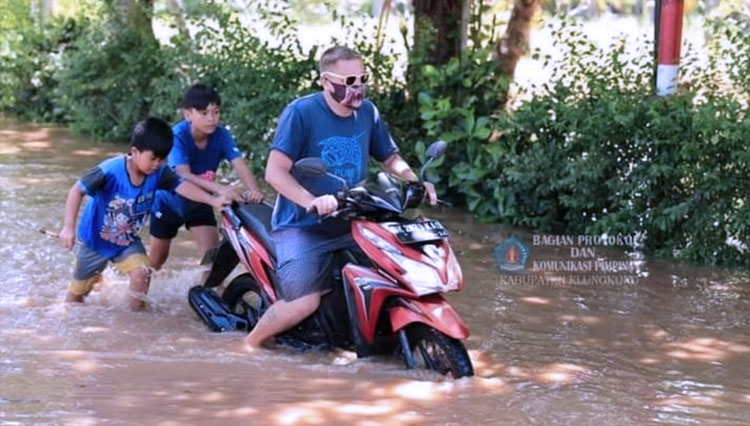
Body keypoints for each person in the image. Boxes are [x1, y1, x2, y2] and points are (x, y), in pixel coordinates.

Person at [245, 46, 437, 349]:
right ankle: (249, 345)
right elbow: (274, 172)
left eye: (362, 79)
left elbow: (389, 157)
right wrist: (311, 201)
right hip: (304, 226)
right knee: (304, 302)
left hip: (355, 221)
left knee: (399, 276)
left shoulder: (368, 113)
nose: (357, 87)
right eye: (348, 81)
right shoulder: (301, 113)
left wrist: (415, 180)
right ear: (325, 81)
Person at [58, 117, 229, 310]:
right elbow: (76, 190)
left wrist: (214, 200)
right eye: (153, 158)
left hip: (126, 241)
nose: (157, 164)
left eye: (162, 158)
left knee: (142, 272)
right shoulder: (110, 171)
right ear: (134, 152)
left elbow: (182, 186)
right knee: (76, 298)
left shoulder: (160, 173)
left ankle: (133, 320)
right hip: (94, 243)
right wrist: (68, 227)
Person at [148, 84, 263, 270]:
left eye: (216, 112)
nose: (211, 119)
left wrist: (255, 191)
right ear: (188, 115)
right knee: (156, 260)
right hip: (168, 203)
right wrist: (220, 189)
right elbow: (182, 174)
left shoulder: (222, 135)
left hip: (200, 200)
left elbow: (240, 165)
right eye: (204, 113)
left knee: (212, 258)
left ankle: (205, 294)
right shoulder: (177, 136)